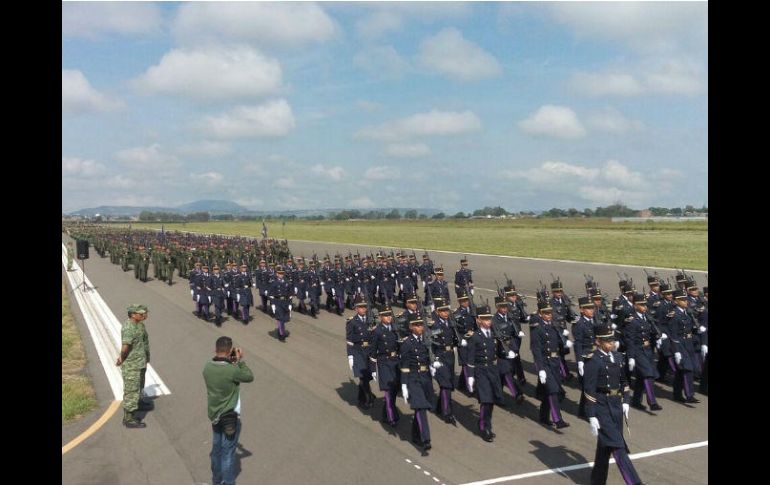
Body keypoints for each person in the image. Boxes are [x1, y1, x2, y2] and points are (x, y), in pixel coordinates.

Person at [583, 325, 644, 485]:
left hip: (616, 406)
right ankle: (635, 482)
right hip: (602, 407)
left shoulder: (617, 357)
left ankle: (597, 481)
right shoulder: (593, 360)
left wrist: (626, 400)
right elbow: (589, 390)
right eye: (607, 341)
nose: (611, 343)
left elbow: (624, 381)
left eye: (612, 340)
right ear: (598, 341)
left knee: (605, 448)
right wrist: (591, 415)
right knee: (618, 446)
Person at [203, 336, 254, 485]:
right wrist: (239, 361)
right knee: (228, 454)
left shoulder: (207, 367)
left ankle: (216, 481)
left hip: (214, 415)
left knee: (216, 450)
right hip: (230, 417)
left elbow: (220, 369)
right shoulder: (232, 370)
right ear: (230, 350)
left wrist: (230, 361)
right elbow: (249, 376)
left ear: (215, 349)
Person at [465, 303, 506, 442]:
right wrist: (470, 377)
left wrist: (508, 352)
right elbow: (470, 359)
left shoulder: (493, 336)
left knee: (492, 400)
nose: (489, 321)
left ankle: (486, 423)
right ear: (479, 320)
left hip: (493, 370)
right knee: (486, 400)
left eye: (490, 318)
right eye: (485, 319)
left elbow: (499, 352)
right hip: (481, 371)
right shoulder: (475, 337)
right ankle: (484, 428)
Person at [399, 314, 435, 451]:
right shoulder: (407, 344)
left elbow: (430, 355)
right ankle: (425, 439)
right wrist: (404, 385)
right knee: (420, 407)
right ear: (411, 327)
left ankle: (415, 433)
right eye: (417, 325)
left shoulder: (426, 340)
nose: (420, 327)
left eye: (421, 325)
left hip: (426, 377)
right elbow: (405, 365)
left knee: (424, 406)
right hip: (413, 378)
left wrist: (433, 365)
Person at [622, 294, 662, 411]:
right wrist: (631, 357)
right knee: (648, 374)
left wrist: (658, 337)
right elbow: (629, 340)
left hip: (648, 350)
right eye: (642, 305)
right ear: (635, 305)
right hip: (637, 350)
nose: (645, 307)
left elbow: (650, 333)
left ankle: (636, 401)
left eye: (645, 304)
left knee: (641, 376)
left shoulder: (647, 317)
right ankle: (652, 402)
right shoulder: (632, 320)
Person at [116, 304, 151, 428]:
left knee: (139, 385)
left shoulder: (139, 324)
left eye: (144, 313)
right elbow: (125, 347)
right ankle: (129, 418)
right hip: (132, 365)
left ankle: (139, 402)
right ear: (133, 315)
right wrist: (121, 358)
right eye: (141, 314)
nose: (144, 315)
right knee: (131, 390)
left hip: (140, 362)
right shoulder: (129, 328)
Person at [369, 303, 401, 426]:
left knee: (393, 391)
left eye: (390, 315)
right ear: (381, 317)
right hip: (384, 363)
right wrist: (373, 369)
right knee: (388, 391)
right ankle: (391, 418)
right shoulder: (377, 331)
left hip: (395, 362)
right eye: (386, 315)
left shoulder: (395, 329)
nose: (389, 318)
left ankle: (385, 413)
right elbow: (373, 352)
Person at [347, 294, 375, 408]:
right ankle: (368, 399)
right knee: (363, 377)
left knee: (368, 377)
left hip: (369, 351)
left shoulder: (371, 320)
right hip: (358, 352)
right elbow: (349, 341)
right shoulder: (352, 322)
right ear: (356, 308)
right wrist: (350, 356)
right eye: (361, 307)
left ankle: (360, 397)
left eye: (365, 307)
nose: (363, 309)